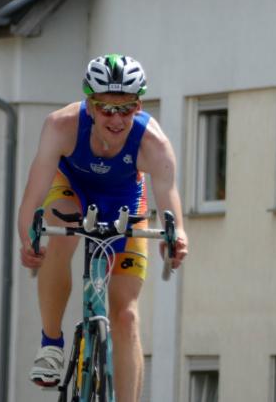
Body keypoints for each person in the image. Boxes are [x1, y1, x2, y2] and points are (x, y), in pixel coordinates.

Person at [17, 54, 189, 402]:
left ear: (138, 106)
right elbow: (33, 197)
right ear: (90, 105)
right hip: (71, 188)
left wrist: (177, 239)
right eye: (107, 109)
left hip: (124, 199)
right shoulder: (61, 126)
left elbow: (171, 205)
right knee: (61, 226)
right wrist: (29, 240)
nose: (117, 119)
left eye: (126, 109)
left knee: (125, 314)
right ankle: (51, 343)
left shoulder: (153, 143)